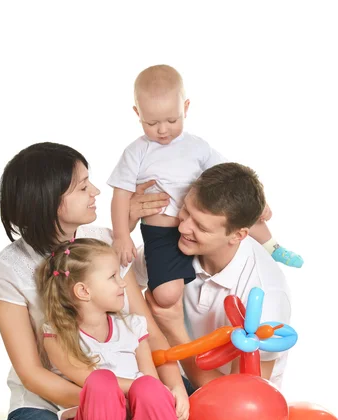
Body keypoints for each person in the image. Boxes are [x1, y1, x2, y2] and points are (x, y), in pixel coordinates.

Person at [0, 142, 211, 420]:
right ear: (49, 200)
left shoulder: (102, 241)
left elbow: (146, 329)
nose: (96, 191)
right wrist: (105, 402)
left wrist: (173, 387)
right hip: (54, 405)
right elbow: (31, 373)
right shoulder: (9, 267)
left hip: (131, 393)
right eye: (82, 186)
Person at [108, 64, 302, 311]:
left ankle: (272, 247)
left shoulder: (197, 146)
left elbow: (234, 175)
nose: (163, 129)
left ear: (186, 108)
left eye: (172, 119)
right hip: (163, 234)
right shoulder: (137, 151)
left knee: (241, 210)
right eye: (152, 122)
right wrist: (122, 235)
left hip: (199, 223)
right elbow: (120, 196)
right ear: (137, 113)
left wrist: (260, 201)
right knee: (167, 295)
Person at [36, 237, 205, 420]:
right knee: (101, 381)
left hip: (139, 415)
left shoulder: (132, 326)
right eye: (113, 277)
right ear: (83, 290)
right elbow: (84, 377)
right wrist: (140, 385)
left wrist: (167, 396)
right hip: (96, 417)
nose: (123, 283)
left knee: (150, 388)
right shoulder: (57, 334)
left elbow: (150, 379)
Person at [133, 162, 292, 391]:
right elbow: (119, 273)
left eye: (201, 226)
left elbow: (238, 398)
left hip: (233, 405)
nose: (183, 228)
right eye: (185, 211)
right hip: (169, 379)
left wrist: (174, 330)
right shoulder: (177, 246)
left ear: (238, 235)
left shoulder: (266, 295)